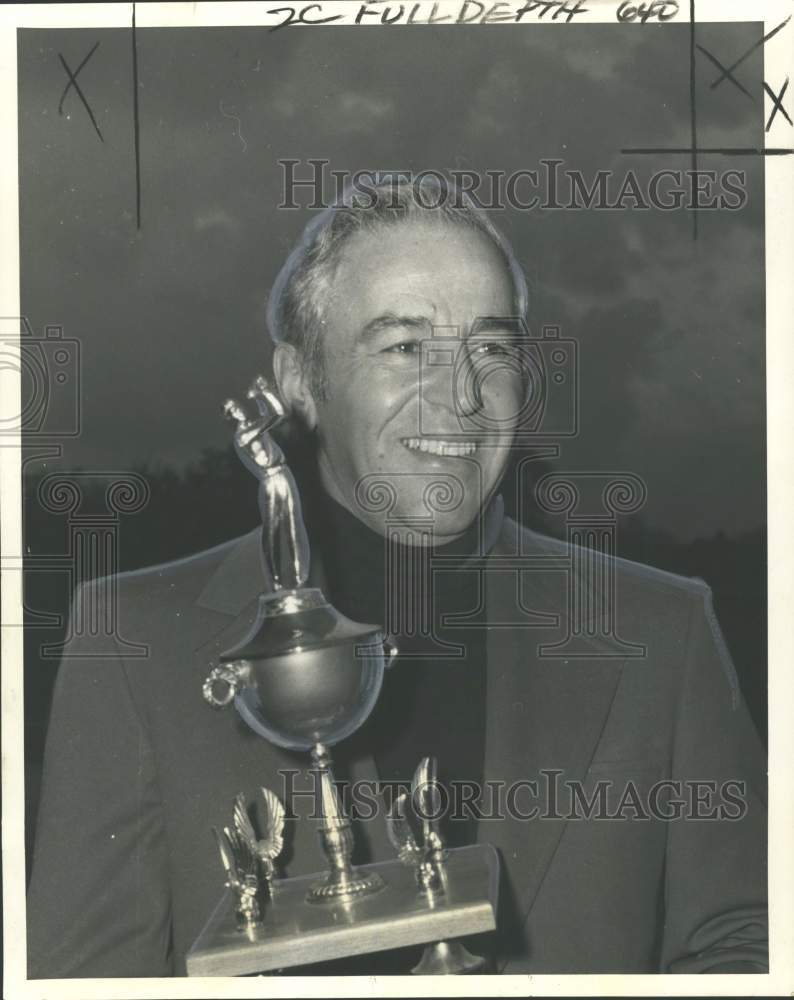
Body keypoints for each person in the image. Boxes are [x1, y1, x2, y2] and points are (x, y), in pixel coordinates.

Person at [27, 176, 767, 977]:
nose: (461, 398)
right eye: (405, 346)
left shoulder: (663, 629)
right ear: (300, 380)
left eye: (491, 348)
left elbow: (749, 947)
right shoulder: (130, 640)